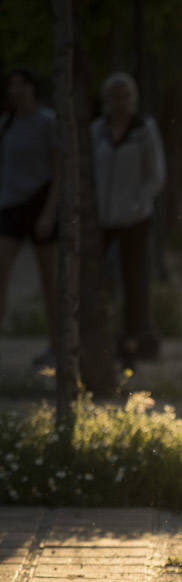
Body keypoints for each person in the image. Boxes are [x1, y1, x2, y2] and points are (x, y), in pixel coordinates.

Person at [92, 72, 166, 369]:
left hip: (135, 218)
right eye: (114, 96)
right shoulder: (96, 130)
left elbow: (156, 174)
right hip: (103, 218)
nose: (119, 102)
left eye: (125, 96)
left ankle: (133, 341)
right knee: (99, 280)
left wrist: (139, 203)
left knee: (135, 281)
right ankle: (101, 338)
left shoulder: (144, 129)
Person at [0, 68, 59, 368]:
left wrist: (49, 212)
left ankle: (56, 345)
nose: (14, 91)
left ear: (32, 88)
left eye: (20, 84)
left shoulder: (47, 123)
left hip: (39, 205)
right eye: (10, 86)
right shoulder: (6, 124)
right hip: (10, 207)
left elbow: (58, 170)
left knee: (50, 282)